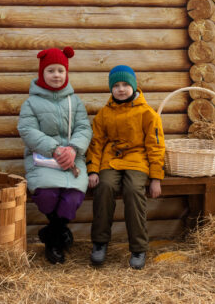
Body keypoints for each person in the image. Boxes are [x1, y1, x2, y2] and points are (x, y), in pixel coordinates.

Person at [18, 47, 92, 264]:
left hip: (73, 158)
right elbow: (28, 130)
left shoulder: (75, 101)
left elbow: (84, 128)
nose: (56, 75)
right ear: (42, 73)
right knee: (46, 196)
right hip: (43, 159)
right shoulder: (30, 103)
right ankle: (58, 237)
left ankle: (52, 237)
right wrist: (55, 149)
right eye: (51, 70)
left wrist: (73, 149)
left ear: (66, 72)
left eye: (60, 70)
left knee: (73, 198)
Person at [87, 65, 165, 270]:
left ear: (134, 86)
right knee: (104, 187)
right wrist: (93, 170)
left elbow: (156, 147)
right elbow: (96, 143)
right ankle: (99, 243)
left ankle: (138, 248)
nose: (121, 89)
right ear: (111, 89)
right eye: (116, 85)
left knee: (133, 191)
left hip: (137, 159)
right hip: (110, 159)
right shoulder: (104, 114)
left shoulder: (147, 113)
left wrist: (156, 178)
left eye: (125, 85)